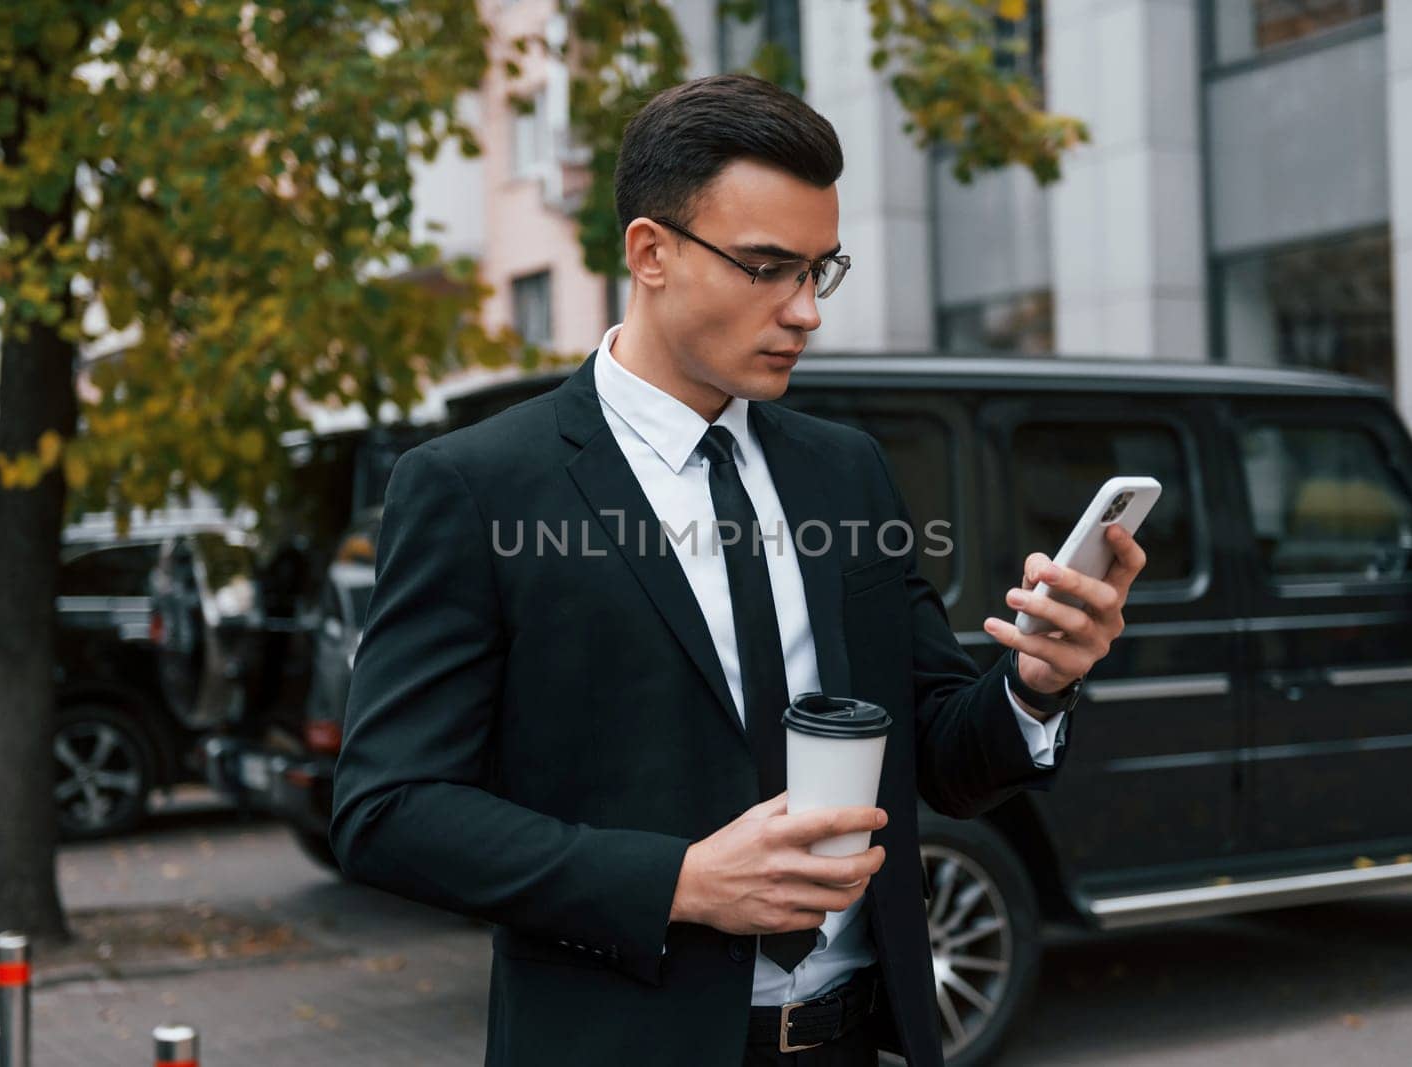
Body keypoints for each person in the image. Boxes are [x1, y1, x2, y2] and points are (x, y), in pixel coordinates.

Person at [331, 73, 1145, 1067]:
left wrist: (1036, 683)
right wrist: (677, 879)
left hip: (856, 1041)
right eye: (767, 267)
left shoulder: (844, 468)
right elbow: (389, 809)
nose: (805, 310)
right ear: (650, 252)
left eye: (819, 270)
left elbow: (934, 752)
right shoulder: (475, 485)